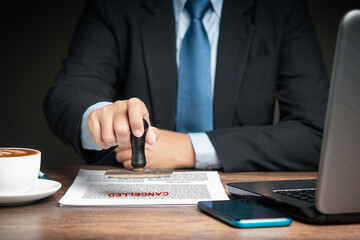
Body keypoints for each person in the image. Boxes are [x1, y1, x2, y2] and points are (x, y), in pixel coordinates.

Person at [44, 0, 329, 172]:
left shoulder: (281, 9)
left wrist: (190, 148)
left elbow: (318, 131)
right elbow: (70, 91)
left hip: (240, 198)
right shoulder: (116, 6)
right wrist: (98, 115)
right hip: (134, 198)